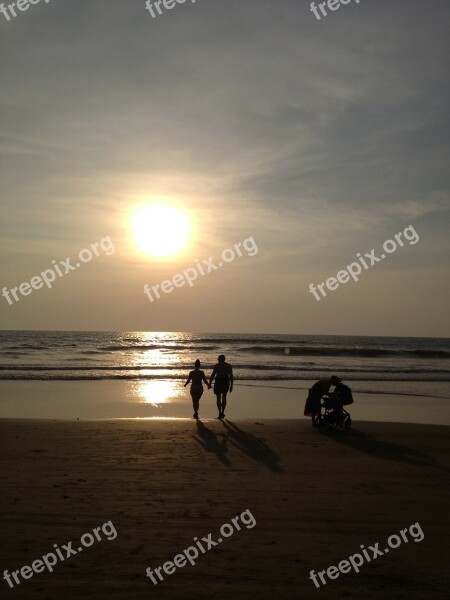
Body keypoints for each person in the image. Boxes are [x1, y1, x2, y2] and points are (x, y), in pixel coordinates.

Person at [209, 354, 233, 419]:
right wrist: (231, 386)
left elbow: (213, 375)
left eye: (218, 359)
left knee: (218, 398)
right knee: (224, 397)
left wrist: (210, 383)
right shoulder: (228, 366)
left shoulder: (217, 365)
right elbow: (231, 376)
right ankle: (222, 412)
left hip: (219, 381)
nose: (218, 360)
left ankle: (220, 412)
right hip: (226, 381)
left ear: (220, 359)